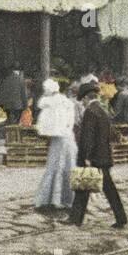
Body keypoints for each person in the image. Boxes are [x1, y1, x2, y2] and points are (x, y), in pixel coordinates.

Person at [65, 81, 128, 229]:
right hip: (103, 156)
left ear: (87, 98)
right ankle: (76, 218)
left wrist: (86, 157)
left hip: (93, 158)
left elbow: (88, 136)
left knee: (105, 189)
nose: (83, 102)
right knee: (84, 187)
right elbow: (110, 133)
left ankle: (120, 218)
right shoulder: (102, 110)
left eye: (83, 99)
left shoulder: (90, 112)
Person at [34, 78, 76, 212]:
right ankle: (68, 198)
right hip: (68, 137)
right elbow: (71, 121)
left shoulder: (49, 103)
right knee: (68, 166)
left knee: (55, 166)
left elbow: (43, 122)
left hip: (58, 139)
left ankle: (52, 199)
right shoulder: (67, 102)